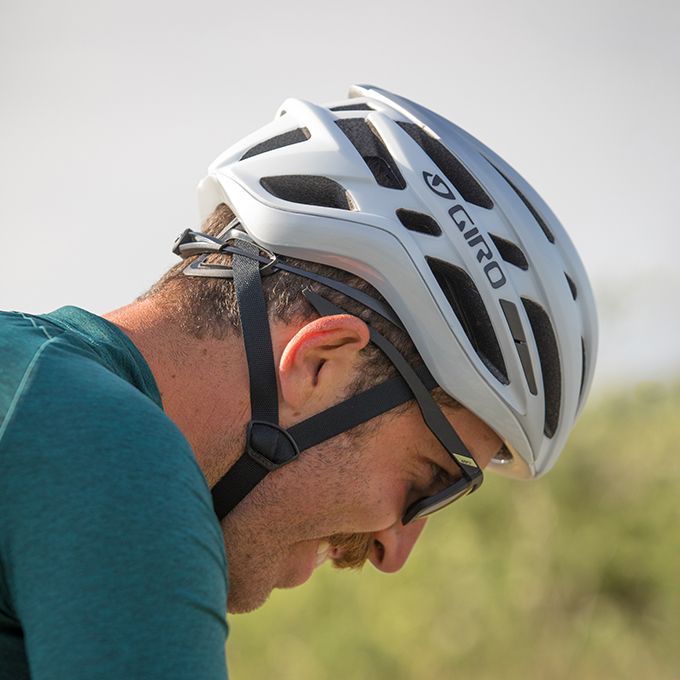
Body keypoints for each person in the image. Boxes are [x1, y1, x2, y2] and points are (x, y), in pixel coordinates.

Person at [0, 85, 598, 679]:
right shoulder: (118, 462)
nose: (396, 551)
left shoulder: (30, 389)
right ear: (320, 362)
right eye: (430, 479)